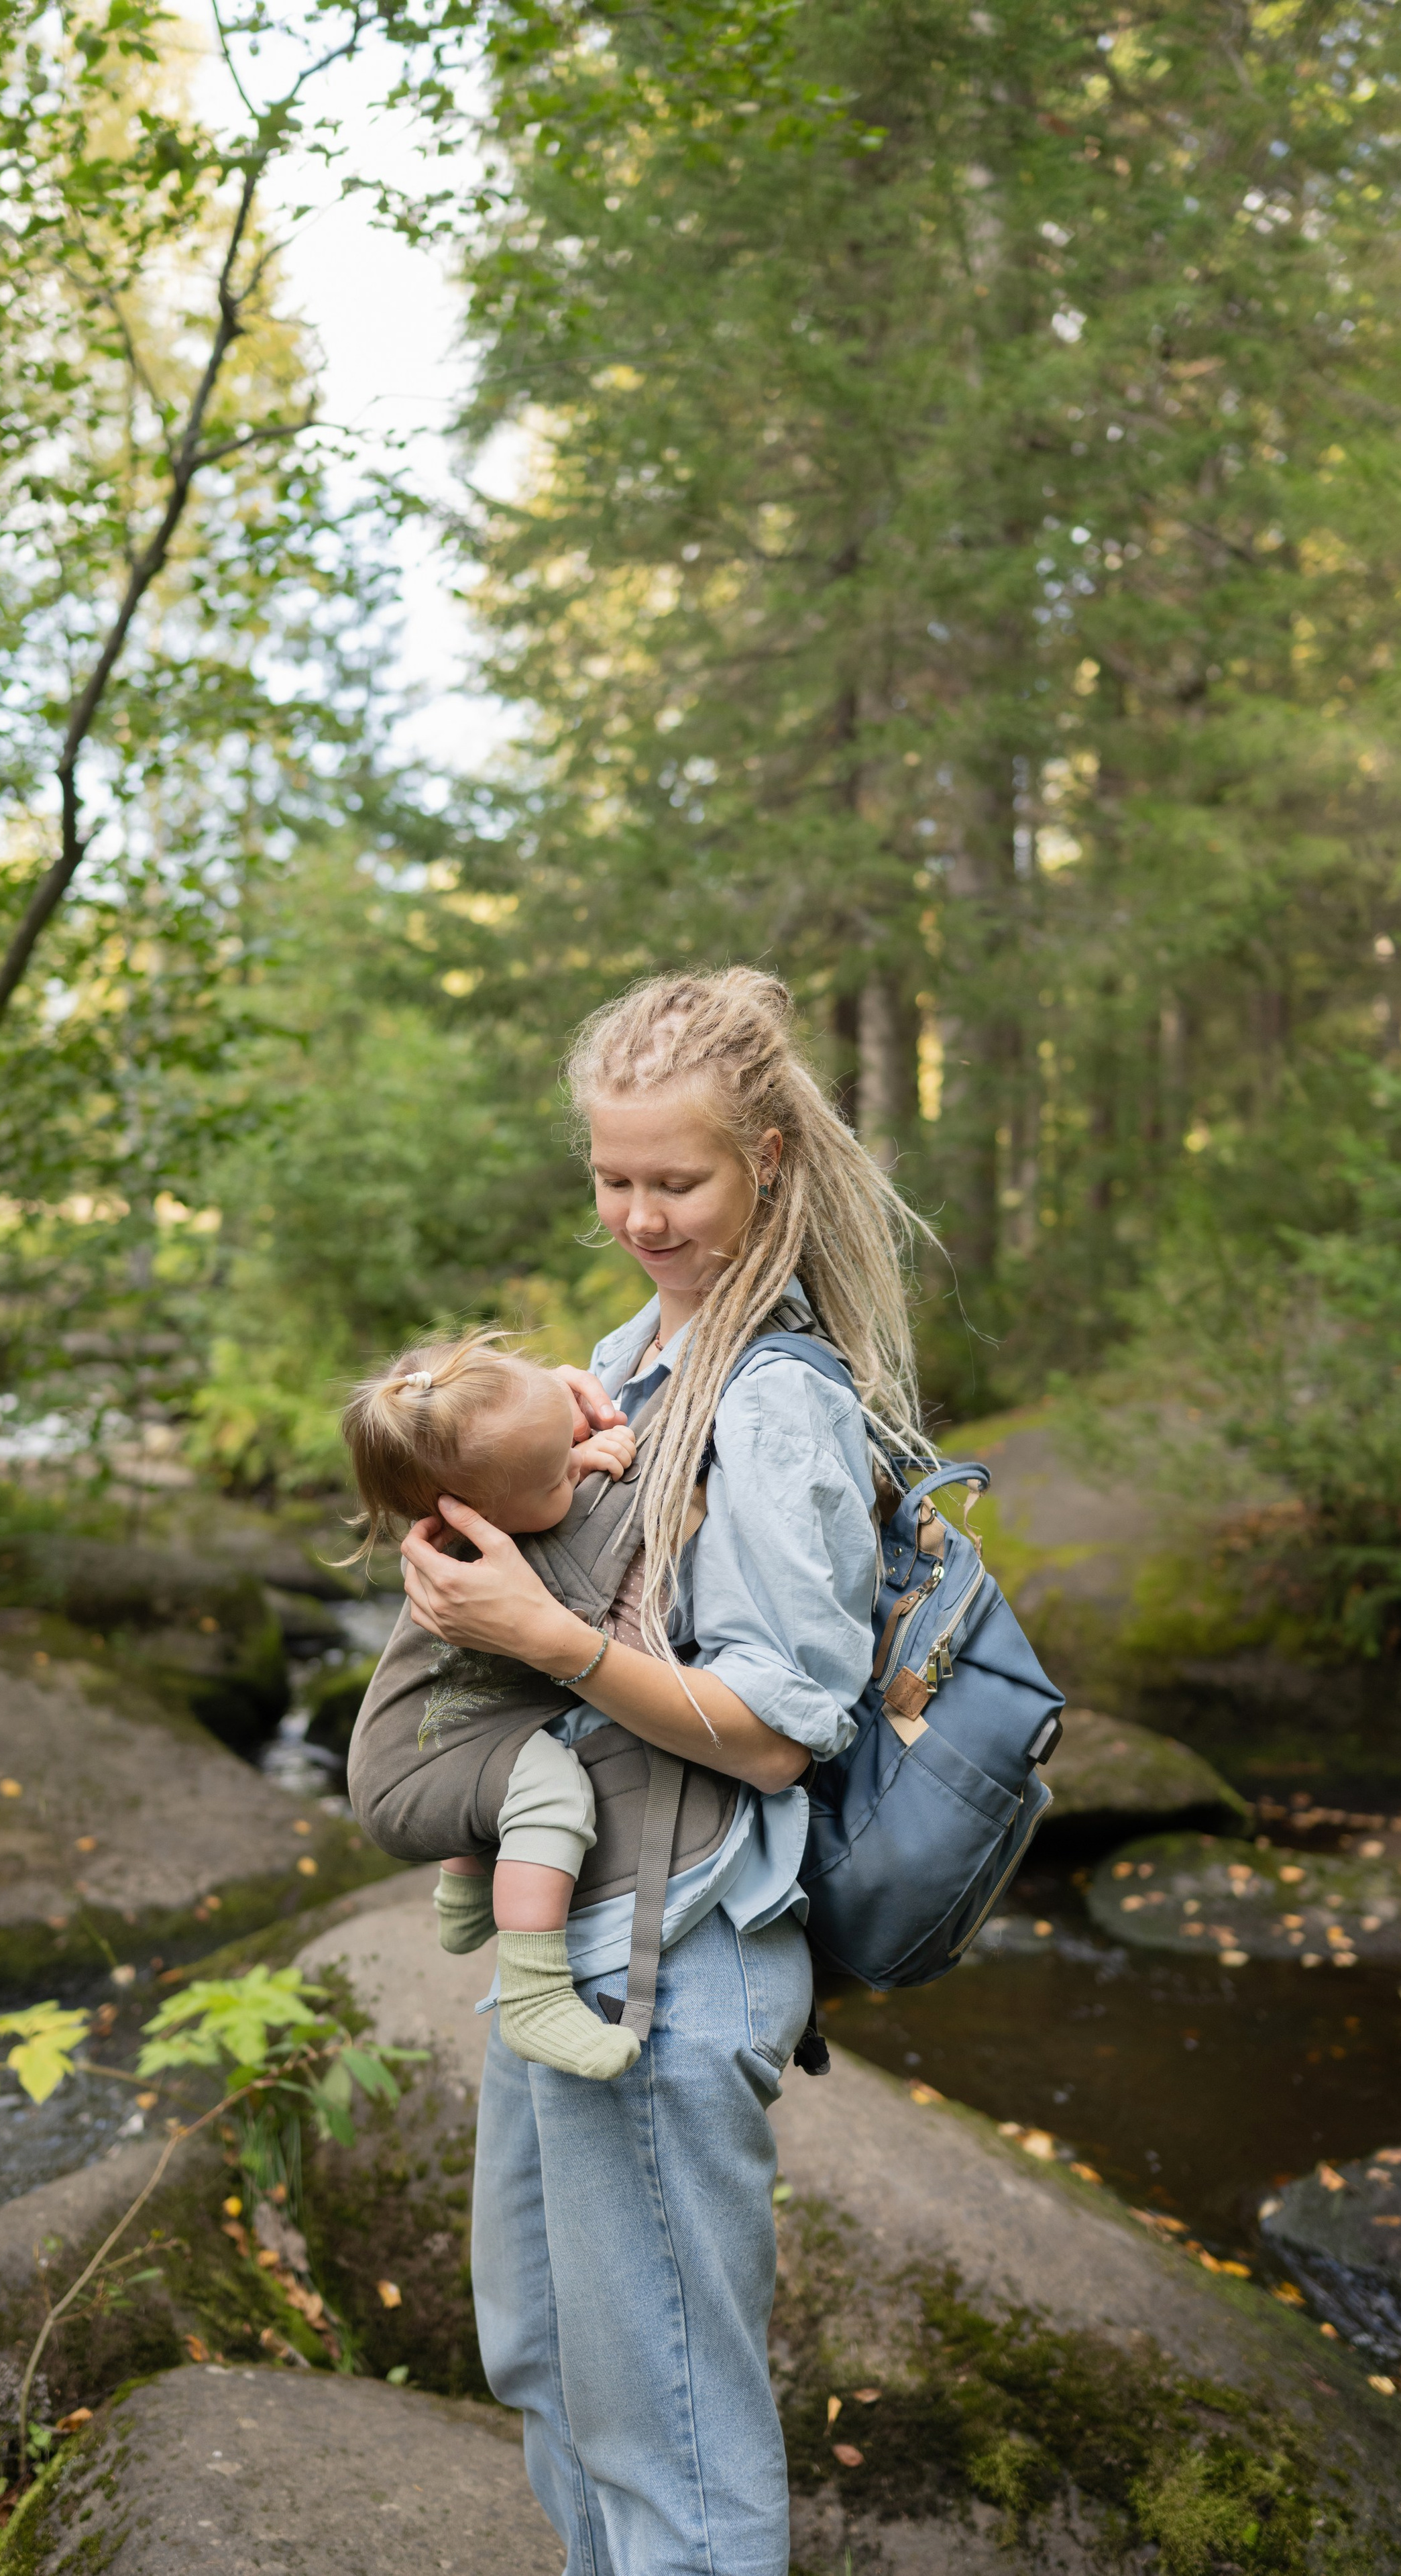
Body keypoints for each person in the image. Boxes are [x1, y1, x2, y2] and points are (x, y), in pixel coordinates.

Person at [397, 967, 930, 2576]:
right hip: (585, 1937)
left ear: (764, 1155)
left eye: (672, 1180)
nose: (635, 1213)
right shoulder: (633, 1350)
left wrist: (542, 1642)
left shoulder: (772, 1398)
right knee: (551, 2360)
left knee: (669, 2424)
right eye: (611, 1177)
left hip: (675, 1961)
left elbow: (777, 1725)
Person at [341, 1332, 647, 2082]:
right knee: (551, 1787)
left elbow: (526, 1497)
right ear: (468, 1517)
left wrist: (565, 1461)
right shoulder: (484, 1569)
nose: (573, 1477)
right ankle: (534, 1995)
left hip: (440, 1750)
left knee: (509, 1739)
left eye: (566, 1454)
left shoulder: (479, 1520)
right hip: (407, 1777)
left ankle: (467, 1889)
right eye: (555, 1479)